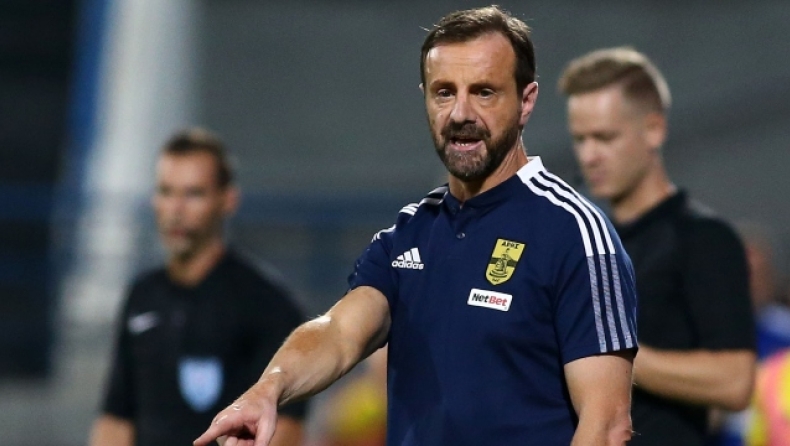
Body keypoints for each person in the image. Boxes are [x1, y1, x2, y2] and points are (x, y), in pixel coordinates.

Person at [194, 6, 638, 446]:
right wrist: (269, 388)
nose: (460, 113)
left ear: (526, 101)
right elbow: (339, 333)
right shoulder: (410, 234)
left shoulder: (573, 233)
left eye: (484, 92)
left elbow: (606, 427)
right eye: (444, 92)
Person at [558, 46, 757, 446]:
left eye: (605, 137)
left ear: (653, 130)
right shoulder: (586, 242)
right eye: (580, 139)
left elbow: (735, 382)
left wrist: (611, 355)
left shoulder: (703, 238)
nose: (589, 155)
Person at [88, 128, 307, 446]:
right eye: (166, 192)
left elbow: (285, 429)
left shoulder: (268, 306)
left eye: (193, 194)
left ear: (227, 200)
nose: (176, 210)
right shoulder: (142, 295)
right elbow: (117, 418)